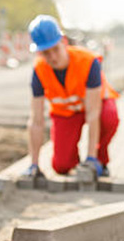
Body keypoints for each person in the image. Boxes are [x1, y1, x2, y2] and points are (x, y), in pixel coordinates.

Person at [24, 14, 119, 178]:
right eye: (46, 53)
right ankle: (74, 162)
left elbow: (93, 113)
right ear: (39, 52)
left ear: (64, 42)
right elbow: (36, 120)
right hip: (66, 113)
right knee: (61, 166)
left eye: (55, 49)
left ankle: (100, 160)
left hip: (95, 108)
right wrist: (34, 164)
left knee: (108, 117)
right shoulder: (39, 71)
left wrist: (91, 157)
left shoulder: (88, 62)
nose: (52, 57)